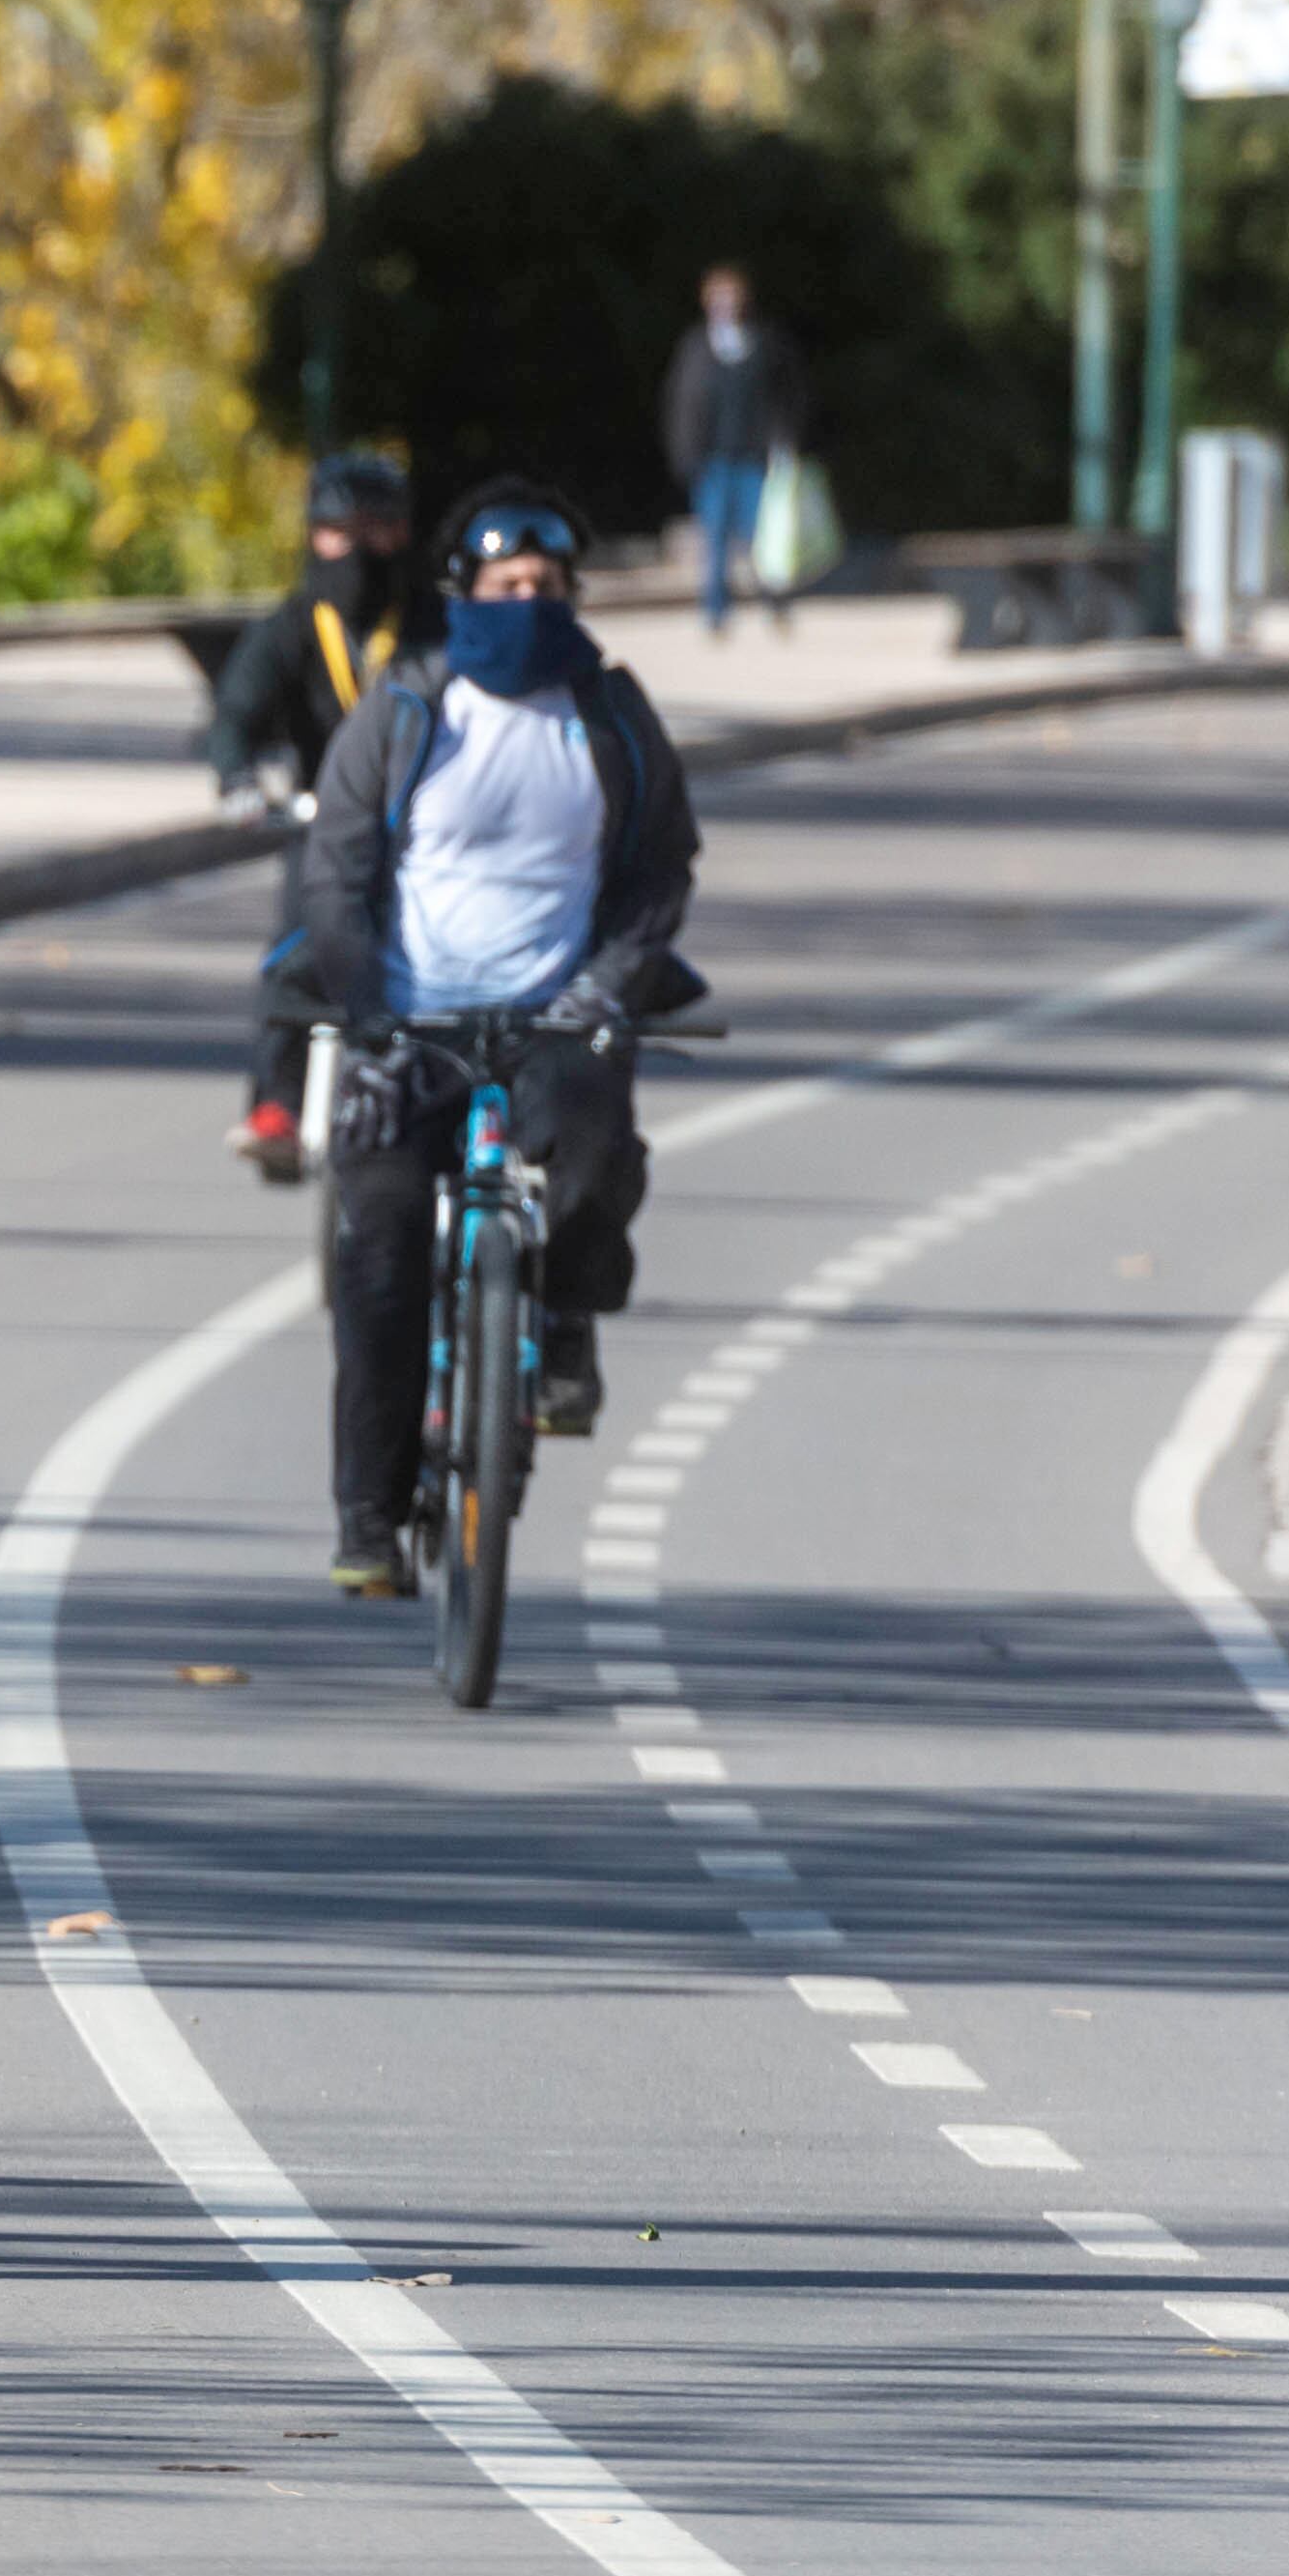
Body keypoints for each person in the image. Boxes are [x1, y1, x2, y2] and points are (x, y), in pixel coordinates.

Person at [292, 482, 701, 1596]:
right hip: (410, 1024)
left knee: (591, 1151)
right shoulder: (407, 709)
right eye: (504, 586)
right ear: (460, 593)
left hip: (550, 1015)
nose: (525, 602)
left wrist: (607, 987)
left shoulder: (609, 713)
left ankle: (561, 1329)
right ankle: (369, 1518)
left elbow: (660, 867)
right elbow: (333, 875)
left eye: (544, 586)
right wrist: (368, 1016)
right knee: (375, 1248)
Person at [208, 453, 433, 1184]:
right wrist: (238, 777)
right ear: (314, 537)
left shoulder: (434, 624)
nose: (359, 552)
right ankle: (277, 1103)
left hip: (428, 826)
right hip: (325, 824)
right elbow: (237, 709)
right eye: (341, 533)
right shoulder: (295, 624)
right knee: (294, 949)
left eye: (379, 532)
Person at [657, 264, 806, 637]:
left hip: (756, 458)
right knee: (716, 537)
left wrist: (785, 442)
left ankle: (774, 602)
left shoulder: (765, 342)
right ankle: (716, 610)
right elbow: (681, 404)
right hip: (712, 460)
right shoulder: (696, 346)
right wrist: (685, 455)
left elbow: (787, 397)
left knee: (764, 537)